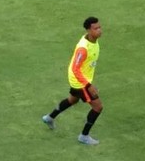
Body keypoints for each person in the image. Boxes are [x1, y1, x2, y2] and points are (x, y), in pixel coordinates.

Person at [41, 17, 104, 145]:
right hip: (80, 81)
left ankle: (49, 117)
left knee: (72, 100)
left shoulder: (92, 40)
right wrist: (88, 85)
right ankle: (84, 136)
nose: (99, 30)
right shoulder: (84, 48)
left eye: (99, 27)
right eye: (96, 28)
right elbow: (76, 69)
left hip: (80, 79)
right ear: (88, 30)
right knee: (98, 107)